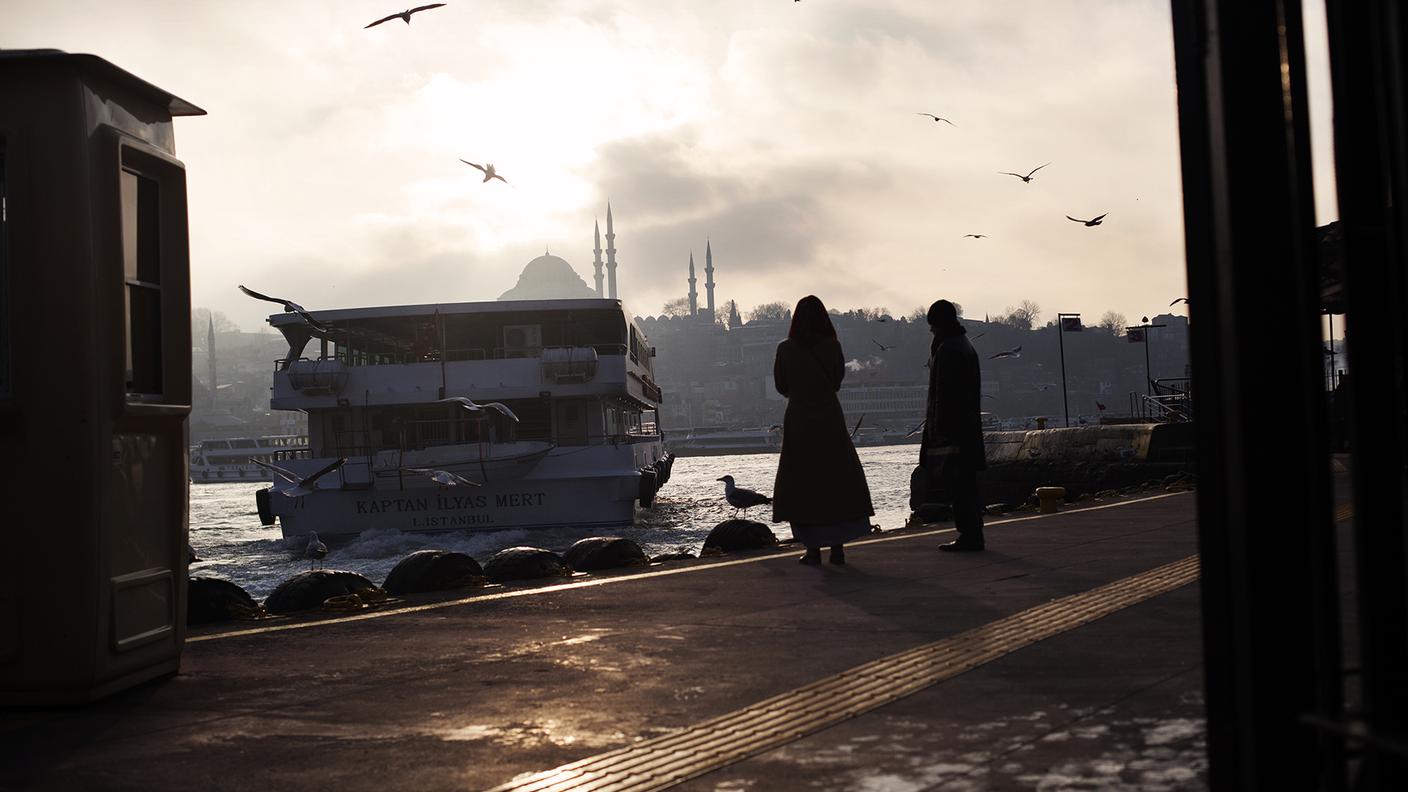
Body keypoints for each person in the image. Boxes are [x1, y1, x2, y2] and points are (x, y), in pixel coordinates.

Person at [771, 295, 875, 565]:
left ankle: (813, 549)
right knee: (834, 479)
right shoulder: (832, 346)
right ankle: (838, 548)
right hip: (829, 418)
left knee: (803, 481)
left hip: (799, 421)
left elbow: (781, 386)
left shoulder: (785, 349)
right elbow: (837, 380)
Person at [921, 299, 987, 551]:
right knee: (966, 484)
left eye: (932, 325)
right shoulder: (965, 345)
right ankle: (972, 532)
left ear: (939, 323)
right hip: (968, 428)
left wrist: (936, 434)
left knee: (959, 485)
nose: (931, 331)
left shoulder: (948, 350)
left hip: (953, 432)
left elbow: (943, 396)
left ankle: (968, 535)